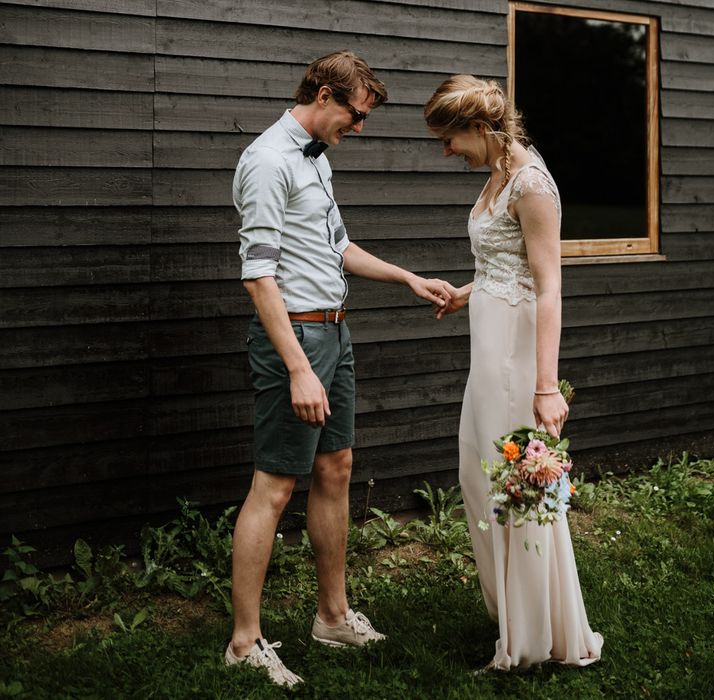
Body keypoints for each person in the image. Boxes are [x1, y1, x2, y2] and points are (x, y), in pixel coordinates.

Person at [226, 51, 452, 688]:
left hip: (334, 331)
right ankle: (245, 642)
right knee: (274, 485)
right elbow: (259, 275)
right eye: (355, 115)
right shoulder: (269, 160)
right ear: (324, 95)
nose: (358, 128)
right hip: (292, 339)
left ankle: (331, 617)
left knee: (336, 466)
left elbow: (338, 247)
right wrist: (299, 368)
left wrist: (408, 277)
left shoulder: (316, 161)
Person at [424, 75, 603, 669]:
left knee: (517, 482)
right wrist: (467, 293)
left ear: (480, 129)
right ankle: (513, 615)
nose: (447, 151)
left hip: (517, 355)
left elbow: (549, 288)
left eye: (451, 140)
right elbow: (508, 267)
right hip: (487, 348)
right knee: (479, 476)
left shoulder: (532, 185)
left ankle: (534, 638)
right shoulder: (495, 174)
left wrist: (546, 386)